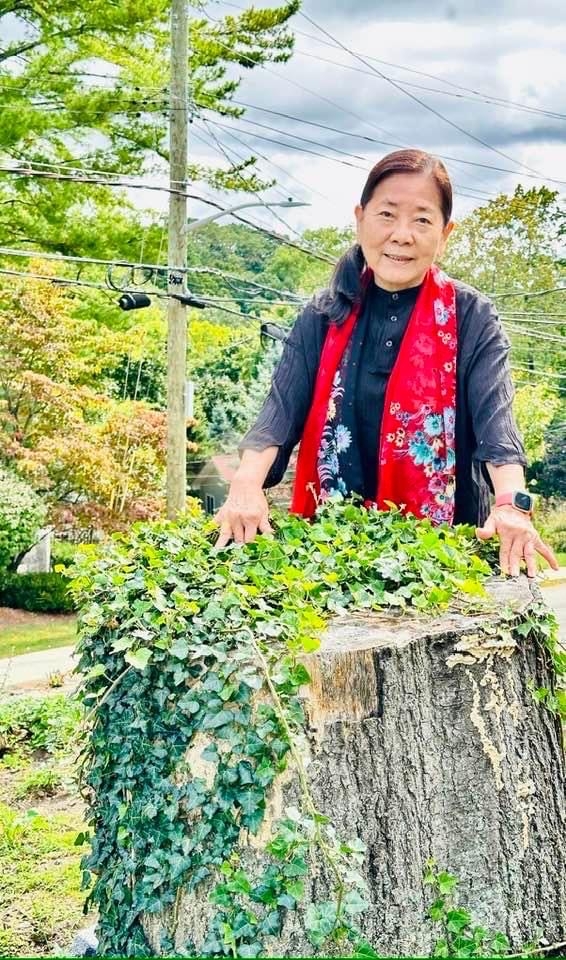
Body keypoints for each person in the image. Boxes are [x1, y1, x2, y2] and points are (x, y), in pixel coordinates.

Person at [215, 148, 558, 579]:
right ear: (360, 218)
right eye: (387, 215)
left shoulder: (471, 316)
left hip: (445, 559)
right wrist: (245, 485)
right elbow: (277, 416)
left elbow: (498, 426)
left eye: (422, 219)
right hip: (329, 556)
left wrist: (511, 503)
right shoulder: (323, 315)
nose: (402, 234)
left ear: (445, 232)